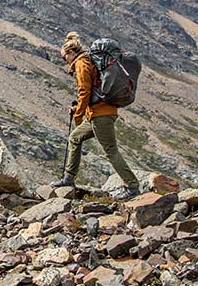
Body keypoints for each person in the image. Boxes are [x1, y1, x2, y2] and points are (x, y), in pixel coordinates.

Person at [54, 31, 140, 198]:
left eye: (65, 58)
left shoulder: (81, 64)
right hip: (98, 113)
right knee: (75, 138)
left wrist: (78, 115)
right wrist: (79, 109)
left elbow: (84, 91)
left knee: (110, 150)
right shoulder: (88, 61)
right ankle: (68, 178)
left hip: (101, 115)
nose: (65, 61)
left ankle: (133, 187)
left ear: (71, 53)